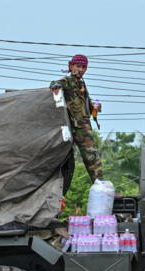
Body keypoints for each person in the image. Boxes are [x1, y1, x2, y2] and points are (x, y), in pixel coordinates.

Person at [50, 54, 103, 182]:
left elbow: (83, 105)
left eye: (84, 67)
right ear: (71, 66)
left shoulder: (80, 84)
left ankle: (100, 184)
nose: (81, 69)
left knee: (91, 157)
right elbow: (56, 83)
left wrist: (94, 107)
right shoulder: (69, 81)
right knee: (91, 157)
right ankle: (100, 184)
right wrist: (56, 87)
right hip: (77, 126)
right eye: (78, 66)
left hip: (84, 124)